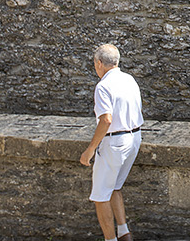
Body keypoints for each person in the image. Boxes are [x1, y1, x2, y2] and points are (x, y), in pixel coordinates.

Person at [79, 44, 143, 241]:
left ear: (99, 63)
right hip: (134, 138)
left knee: (100, 195)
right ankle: (124, 233)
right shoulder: (129, 79)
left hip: (115, 142)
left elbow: (106, 119)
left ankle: (110, 239)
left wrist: (90, 150)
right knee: (114, 187)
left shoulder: (103, 86)